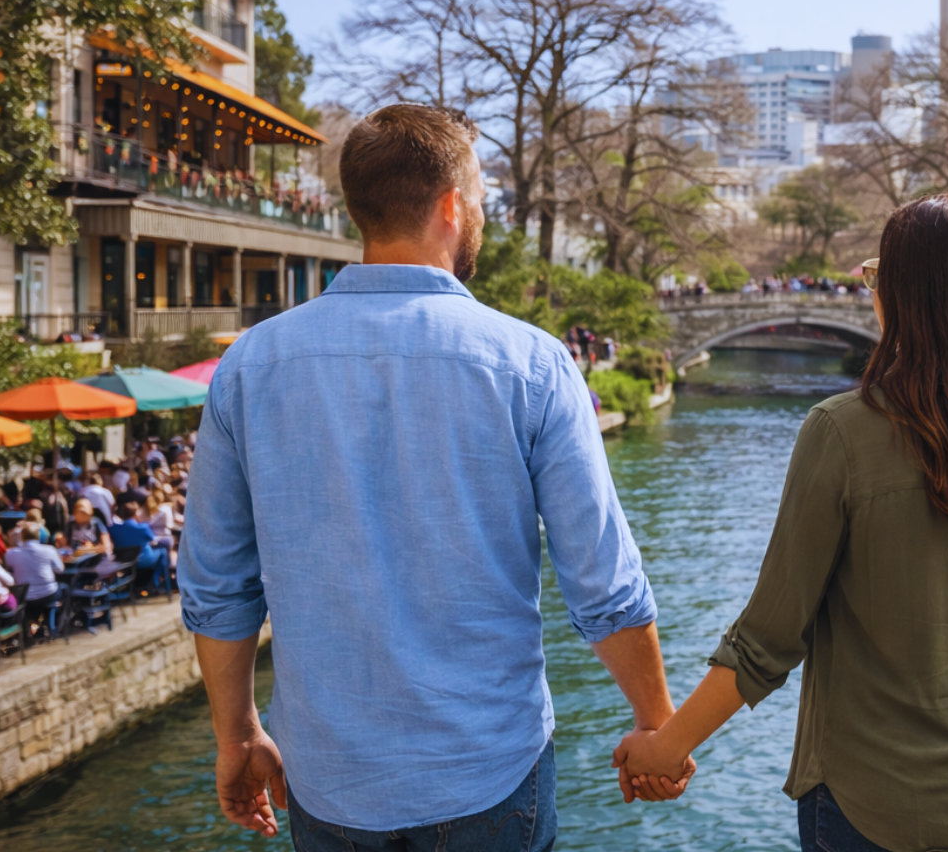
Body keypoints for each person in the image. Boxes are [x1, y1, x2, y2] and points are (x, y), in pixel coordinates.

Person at [181, 105, 678, 847]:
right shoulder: (534, 364)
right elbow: (603, 584)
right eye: (479, 197)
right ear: (453, 206)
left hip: (329, 778)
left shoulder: (249, 366)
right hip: (488, 770)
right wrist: (657, 726)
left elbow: (218, 585)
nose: (480, 213)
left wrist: (238, 734)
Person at [613, 193, 948, 852]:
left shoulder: (843, 433)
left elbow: (769, 639)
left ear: (901, 302)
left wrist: (664, 747)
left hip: (875, 801)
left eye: (877, 278)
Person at [6, 520, 65, 629]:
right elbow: (60, 569)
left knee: (32, 605)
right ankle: (55, 623)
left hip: (25, 596)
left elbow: (7, 567)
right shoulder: (49, 550)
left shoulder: (11, 553)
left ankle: (36, 624)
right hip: (48, 594)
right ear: (38, 536)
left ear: (22, 537)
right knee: (65, 589)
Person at [62, 498, 111, 564]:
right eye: (82, 513)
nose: (86, 515)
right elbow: (64, 546)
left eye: (86, 513)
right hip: (75, 558)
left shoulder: (96, 522)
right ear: (75, 512)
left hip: (94, 557)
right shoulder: (70, 525)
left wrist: (91, 549)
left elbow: (106, 543)